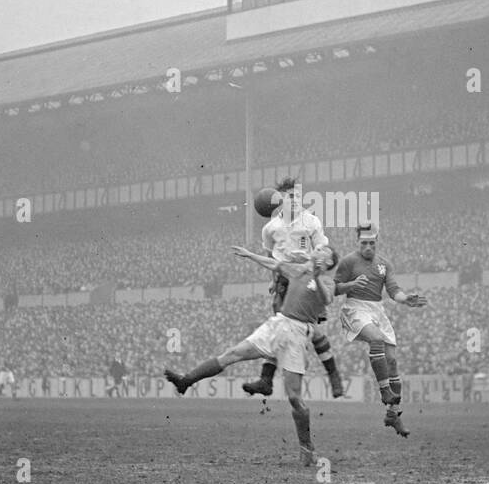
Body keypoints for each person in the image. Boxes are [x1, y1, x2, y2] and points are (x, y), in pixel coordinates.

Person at [166, 244, 340, 467]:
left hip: (297, 334)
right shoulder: (298, 270)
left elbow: (326, 300)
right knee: (233, 353)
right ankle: (186, 381)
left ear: (327, 262)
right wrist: (250, 256)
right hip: (278, 325)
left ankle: (307, 448)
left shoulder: (327, 281)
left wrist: (316, 276)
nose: (316, 251)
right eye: (317, 249)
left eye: (322, 252)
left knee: (294, 398)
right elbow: (274, 264)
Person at [242, 178, 345, 400]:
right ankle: (266, 380)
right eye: (291, 196)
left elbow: (323, 250)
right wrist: (273, 279)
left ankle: (334, 376)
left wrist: (318, 276)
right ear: (280, 199)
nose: (296, 199)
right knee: (280, 327)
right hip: (284, 279)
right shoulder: (270, 228)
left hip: (306, 278)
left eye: (299, 195)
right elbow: (272, 256)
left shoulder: (311, 222)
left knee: (314, 331)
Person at [332, 224, 427, 437]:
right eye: (363, 243)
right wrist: (352, 284)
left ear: (376, 242)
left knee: (392, 360)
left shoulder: (384, 264)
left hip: (377, 309)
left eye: (371, 243)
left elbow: (393, 290)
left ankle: (393, 415)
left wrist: (406, 299)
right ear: (357, 242)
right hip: (355, 307)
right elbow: (334, 288)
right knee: (375, 339)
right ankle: (385, 390)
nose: (367, 247)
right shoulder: (348, 262)